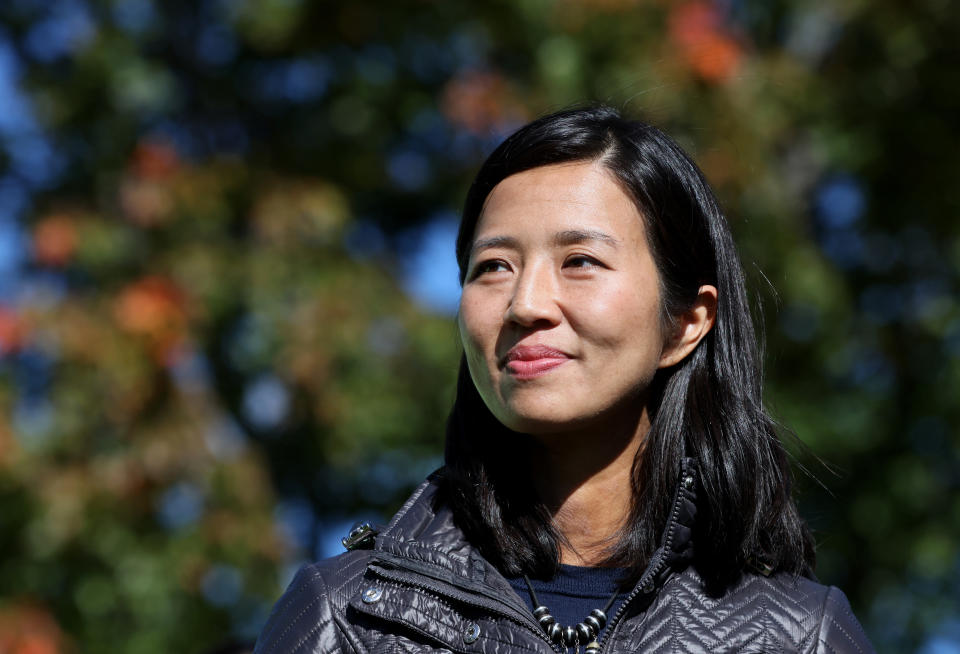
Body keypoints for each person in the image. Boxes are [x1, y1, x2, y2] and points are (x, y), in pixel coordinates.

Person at [253, 106, 875, 653]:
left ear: (685, 323)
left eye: (580, 261)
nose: (526, 304)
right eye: (493, 266)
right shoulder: (347, 620)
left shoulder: (796, 635)